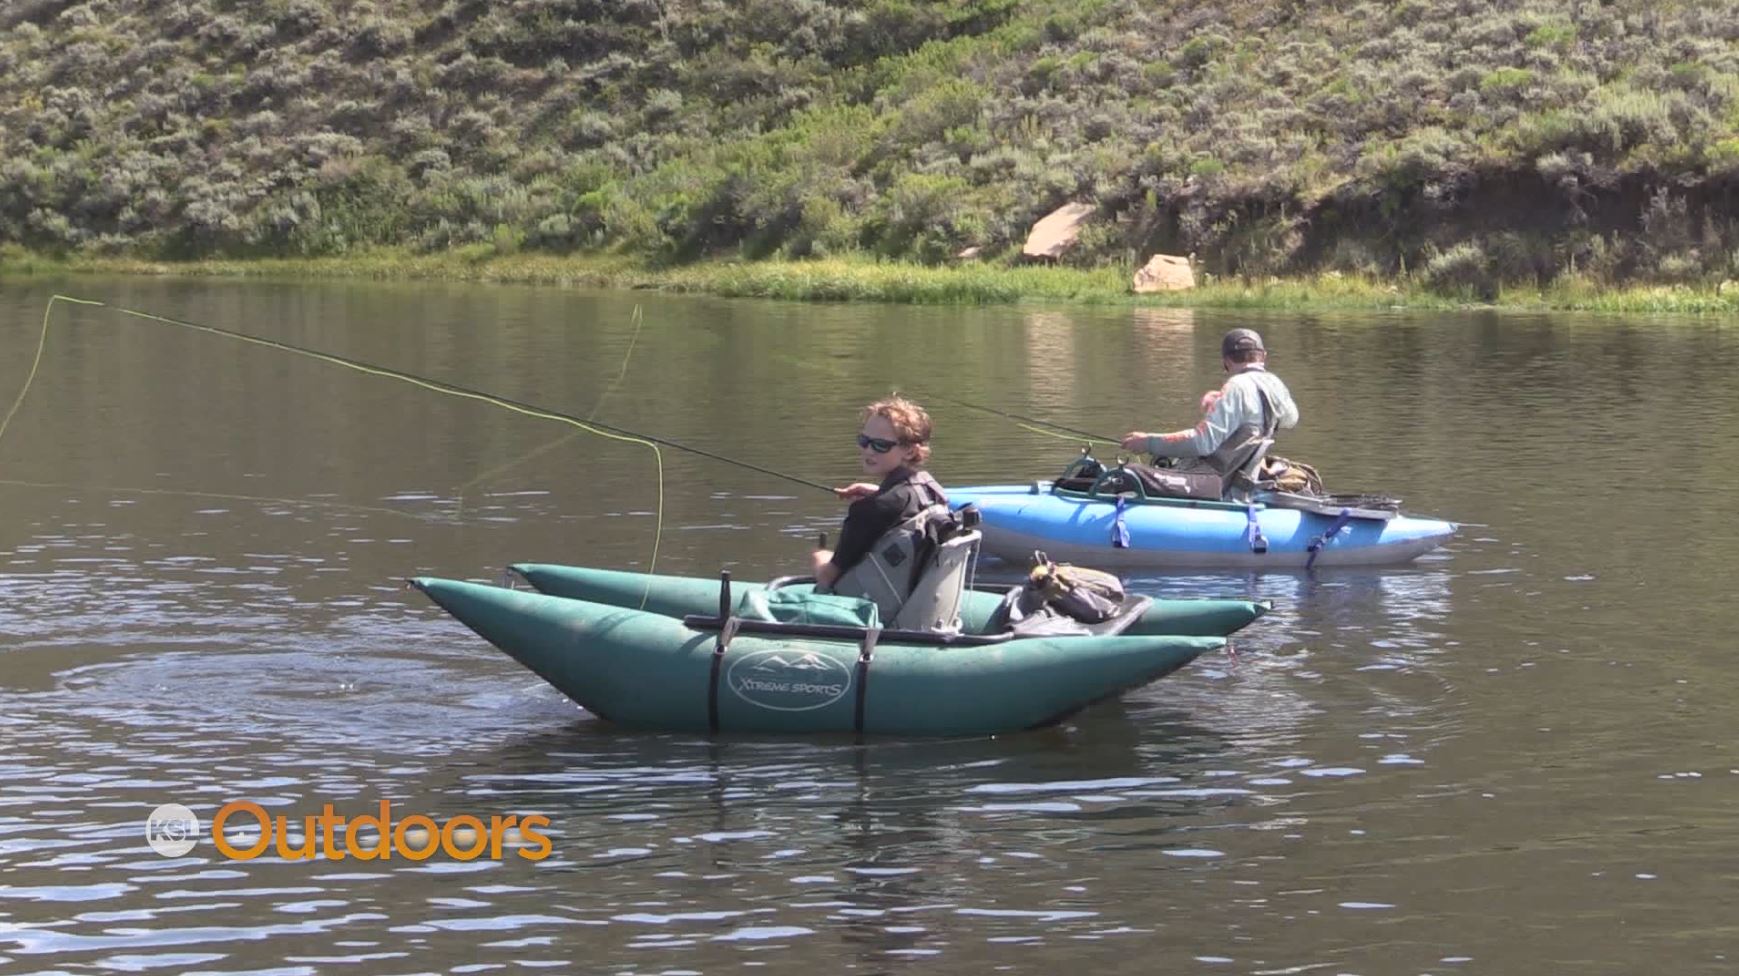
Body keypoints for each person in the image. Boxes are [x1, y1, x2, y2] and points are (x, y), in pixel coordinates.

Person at [1120, 328, 1299, 484]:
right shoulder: (1275, 383)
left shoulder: (1236, 386)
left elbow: (1203, 443)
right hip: (1240, 476)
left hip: (1216, 479)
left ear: (1226, 361)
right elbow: (1290, 420)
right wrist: (1225, 404)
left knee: (1132, 472)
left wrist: (1148, 442)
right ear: (1264, 356)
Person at [812, 395, 945, 590]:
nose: (868, 451)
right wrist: (880, 492)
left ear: (909, 451)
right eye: (864, 440)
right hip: (918, 600)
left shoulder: (870, 510)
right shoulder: (930, 488)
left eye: (881, 445)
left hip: (874, 609)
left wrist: (819, 558)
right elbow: (903, 502)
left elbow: (827, 578)